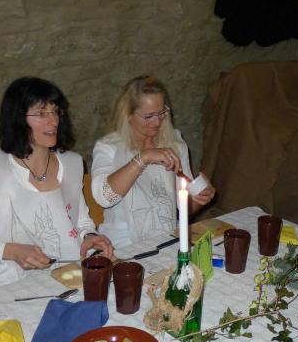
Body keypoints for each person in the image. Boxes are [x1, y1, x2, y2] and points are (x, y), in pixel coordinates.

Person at [0, 77, 113, 289]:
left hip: (69, 277)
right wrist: (11, 251)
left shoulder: (72, 163)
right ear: (17, 118)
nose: (53, 121)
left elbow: (81, 222)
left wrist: (89, 236)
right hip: (10, 286)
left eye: (55, 112)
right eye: (42, 114)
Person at [91, 76, 215, 248]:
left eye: (162, 112)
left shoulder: (174, 143)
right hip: (122, 244)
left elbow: (182, 208)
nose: (157, 122)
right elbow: (104, 198)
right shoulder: (109, 147)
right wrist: (143, 158)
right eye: (148, 116)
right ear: (128, 115)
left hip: (168, 236)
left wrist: (200, 198)